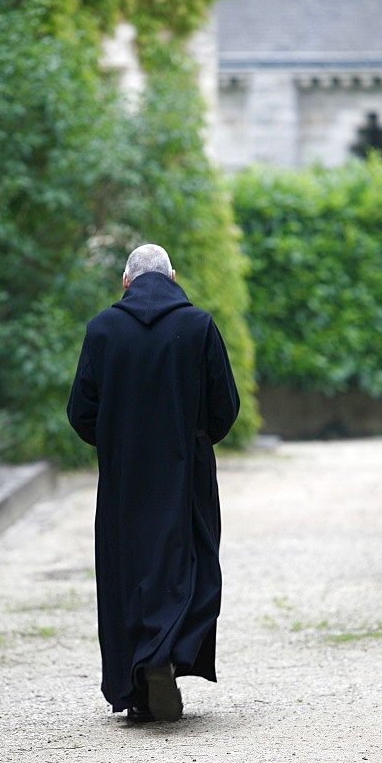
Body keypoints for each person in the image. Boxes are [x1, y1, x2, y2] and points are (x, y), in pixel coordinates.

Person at [67, 243, 240, 722]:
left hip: (124, 476)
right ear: (174, 276)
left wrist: (115, 442)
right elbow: (225, 405)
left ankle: (138, 681)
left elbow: (80, 412)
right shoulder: (199, 326)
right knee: (190, 562)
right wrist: (197, 439)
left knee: (127, 571)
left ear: (126, 281)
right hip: (186, 467)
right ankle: (166, 655)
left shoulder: (102, 330)